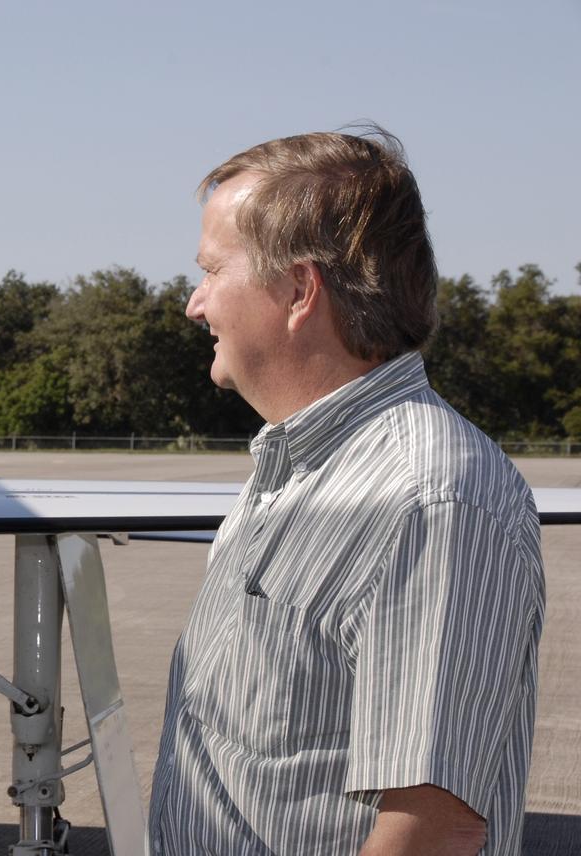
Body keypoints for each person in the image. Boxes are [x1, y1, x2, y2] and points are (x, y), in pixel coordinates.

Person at [149, 127, 544, 855]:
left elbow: (433, 828)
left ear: (299, 290)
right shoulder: (294, 468)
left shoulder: (426, 500)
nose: (194, 304)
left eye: (210, 271)